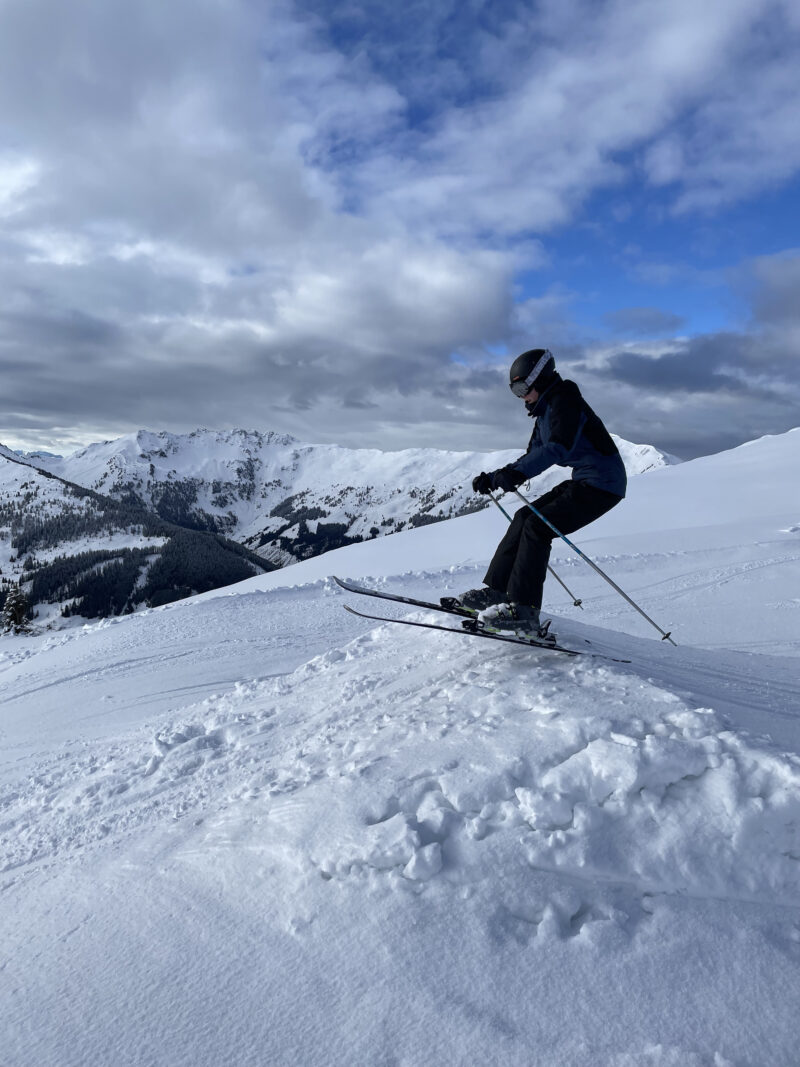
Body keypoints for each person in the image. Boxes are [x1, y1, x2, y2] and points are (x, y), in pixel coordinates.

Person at [459, 348, 626, 632]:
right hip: (585, 479)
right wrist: (497, 476)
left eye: (522, 387)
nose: (521, 396)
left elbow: (558, 447)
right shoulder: (544, 411)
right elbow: (533, 454)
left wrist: (517, 473)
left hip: (604, 484)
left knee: (538, 526)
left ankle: (524, 610)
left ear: (541, 378)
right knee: (525, 516)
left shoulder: (565, 400)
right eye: (514, 390)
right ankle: (498, 592)